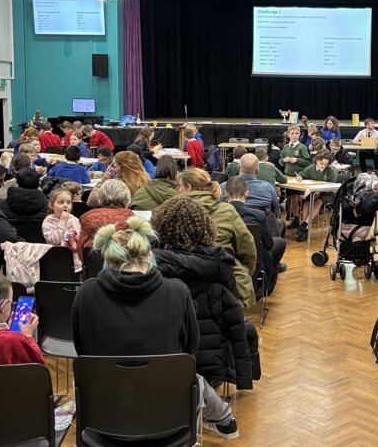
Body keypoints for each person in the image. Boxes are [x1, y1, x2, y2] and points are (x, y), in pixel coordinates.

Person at [72, 216, 239, 440]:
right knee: (192, 378)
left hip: (104, 414)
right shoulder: (177, 291)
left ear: (107, 258)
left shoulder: (86, 293)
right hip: (168, 417)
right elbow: (189, 350)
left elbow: (82, 349)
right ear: (150, 255)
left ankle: (224, 419)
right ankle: (225, 420)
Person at [150, 196, 255, 392]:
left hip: (162, 357)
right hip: (211, 365)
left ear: (159, 227)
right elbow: (232, 312)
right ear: (205, 227)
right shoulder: (221, 264)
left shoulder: (148, 264)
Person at [178, 167, 257, 309]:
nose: (178, 190)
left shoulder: (172, 210)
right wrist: (243, 270)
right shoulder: (227, 210)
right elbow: (247, 247)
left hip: (182, 284)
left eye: (180, 186)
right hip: (226, 286)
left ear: (188, 187)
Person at [225, 176, 286, 288]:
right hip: (254, 256)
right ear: (246, 194)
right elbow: (269, 244)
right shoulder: (258, 215)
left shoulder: (220, 214)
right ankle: (267, 284)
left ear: (226, 194)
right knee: (280, 242)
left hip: (226, 256)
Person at [77, 179, 134, 256]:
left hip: (94, 262)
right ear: (127, 199)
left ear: (99, 197)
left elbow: (81, 250)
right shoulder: (132, 219)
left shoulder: (88, 218)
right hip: (125, 262)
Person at [295, 151, 338, 242]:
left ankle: (304, 224)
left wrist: (319, 191)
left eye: (326, 164)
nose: (323, 166)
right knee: (306, 202)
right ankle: (305, 229)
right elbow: (301, 174)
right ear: (316, 160)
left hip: (328, 193)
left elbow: (331, 187)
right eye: (321, 163)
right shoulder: (311, 168)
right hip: (315, 192)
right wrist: (299, 177)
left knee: (318, 201)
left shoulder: (331, 171)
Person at [42, 187, 82, 274]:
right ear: (51, 205)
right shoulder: (49, 221)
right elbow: (54, 240)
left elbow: (80, 237)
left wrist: (79, 239)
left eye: (69, 202)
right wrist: (62, 222)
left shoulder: (74, 219)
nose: (65, 205)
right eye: (61, 202)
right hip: (57, 261)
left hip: (76, 263)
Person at [281, 125, 311, 228]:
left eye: (297, 133)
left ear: (299, 134)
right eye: (292, 133)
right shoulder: (286, 147)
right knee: (293, 197)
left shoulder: (302, 147)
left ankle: (305, 220)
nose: (295, 135)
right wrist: (284, 160)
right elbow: (280, 160)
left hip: (299, 177)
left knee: (301, 197)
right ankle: (296, 219)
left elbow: (307, 162)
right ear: (288, 135)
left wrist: (297, 160)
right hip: (288, 177)